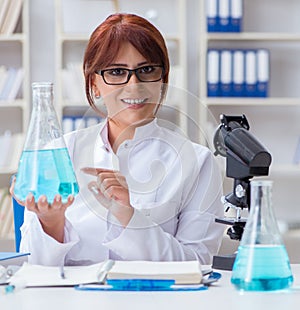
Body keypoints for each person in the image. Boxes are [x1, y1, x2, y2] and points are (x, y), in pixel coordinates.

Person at [11, 13, 224, 266]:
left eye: (146, 70)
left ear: (163, 79)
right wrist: (51, 223)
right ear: (95, 84)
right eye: (116, 71)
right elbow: (34, 266)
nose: (134, 86)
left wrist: (129, 217)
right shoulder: (59, 153)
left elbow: (197, 264)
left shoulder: (197, 162)